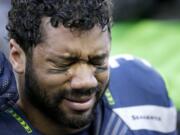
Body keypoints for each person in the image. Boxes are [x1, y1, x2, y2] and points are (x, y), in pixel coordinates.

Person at [0, 0, 177, 135]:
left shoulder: (142, 91)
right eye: (64, 63)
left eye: (97, 61)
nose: (85, 82)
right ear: (17, 56)